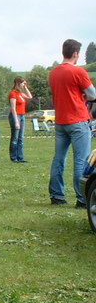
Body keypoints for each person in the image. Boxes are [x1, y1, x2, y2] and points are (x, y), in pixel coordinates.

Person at [48, 39, 96, 208]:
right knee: (81, 161)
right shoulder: (78, 72)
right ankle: (82, 199)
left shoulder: (53, 73)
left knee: (58, 159)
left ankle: (56, 195)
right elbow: (92, 94)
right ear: (75, 54)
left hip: (60, 121)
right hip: (78, 120)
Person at [8, 76, 33, 162]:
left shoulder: (20, 93)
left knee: (20, 138)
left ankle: (20, 157)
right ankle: (13, 157)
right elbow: (13, 108)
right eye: (23, 83)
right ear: (18, 83)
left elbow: (30, 97)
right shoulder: (13, 93)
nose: (24, 85)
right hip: (16, 116)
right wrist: (16, 122)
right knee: (15, 137)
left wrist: (26, 88)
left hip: (22, 116)